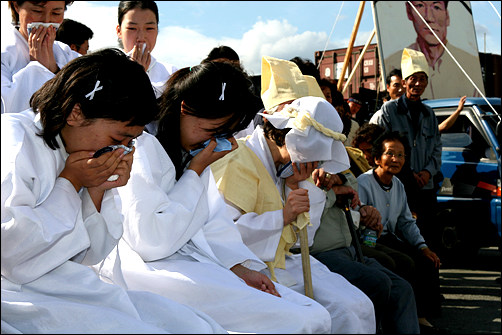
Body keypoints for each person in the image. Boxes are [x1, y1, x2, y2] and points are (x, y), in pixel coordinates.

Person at [95, 60, 333, 334]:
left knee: (312, 314)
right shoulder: (144, 148)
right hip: (155, 269)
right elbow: (151, 240)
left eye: (224, 135)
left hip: (194, 261)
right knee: (296, 320)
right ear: (184, 109)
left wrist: (238, 267)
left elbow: (212, 221)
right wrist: (195, 172)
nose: (215, 143)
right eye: (212, 132)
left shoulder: (188, 151)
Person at [1, 48, 227, 334]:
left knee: (191, 323)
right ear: (75, 113)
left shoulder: (78, 149)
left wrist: (95, 188)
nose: (123, 150)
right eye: (119, 138)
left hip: (62, 283)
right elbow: (12, 255)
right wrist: (71, 181)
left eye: (131, 142)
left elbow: (89, 254)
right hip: (17, 293)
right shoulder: (15, 140)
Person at [211, 56, 377, 334]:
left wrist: (296, 187)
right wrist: (283, 215)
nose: (313, 166)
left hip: (285, 262)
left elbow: (305, 239)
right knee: (330, 313)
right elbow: (224, 237)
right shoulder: (238, 160)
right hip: (248, 268)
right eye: (310, 157)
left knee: (359, 305)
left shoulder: (289, 168)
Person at [357, 131, 445, 334]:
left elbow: (406, 222)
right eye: (390, 154)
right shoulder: (363, 182)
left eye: (401, 155)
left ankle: (421, 318)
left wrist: (423, 247)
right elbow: (357, 219)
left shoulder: (398, 185)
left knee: (427, 261)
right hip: (367, 240)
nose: (396, 159)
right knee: (402, 263)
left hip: (389, 238)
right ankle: (397, 321)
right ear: (377, 158)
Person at [370, 48, 442, 247]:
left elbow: (437, 148)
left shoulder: (429, 114)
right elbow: (382, 146)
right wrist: (410, 174)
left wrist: (428, 172)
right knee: (404, 238)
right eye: (413, 79)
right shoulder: (389, 110)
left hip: (426, 188)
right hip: (400, 186)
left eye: (422, 79)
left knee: (429, 237)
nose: (417, 84)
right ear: (404, 82)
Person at [384, 1, 484, 100]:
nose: (429, 18)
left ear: (447, 16)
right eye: (420, 6)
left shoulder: (469, 66)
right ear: (409, 12)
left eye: (436, 7)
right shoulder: (393, 63)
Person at [2, 1, 81, 114]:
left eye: (56, 13)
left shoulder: (66, 53)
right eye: (37, 11)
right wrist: (38, 69)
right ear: (16, 6)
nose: (46, 21)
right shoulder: (4, 54)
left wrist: (55, 71)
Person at [116, 1, 177, 134]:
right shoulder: (105, 68)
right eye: (132, 29)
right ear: (119, 31)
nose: (141, 37)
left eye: (149, 28)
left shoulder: (171, 73)